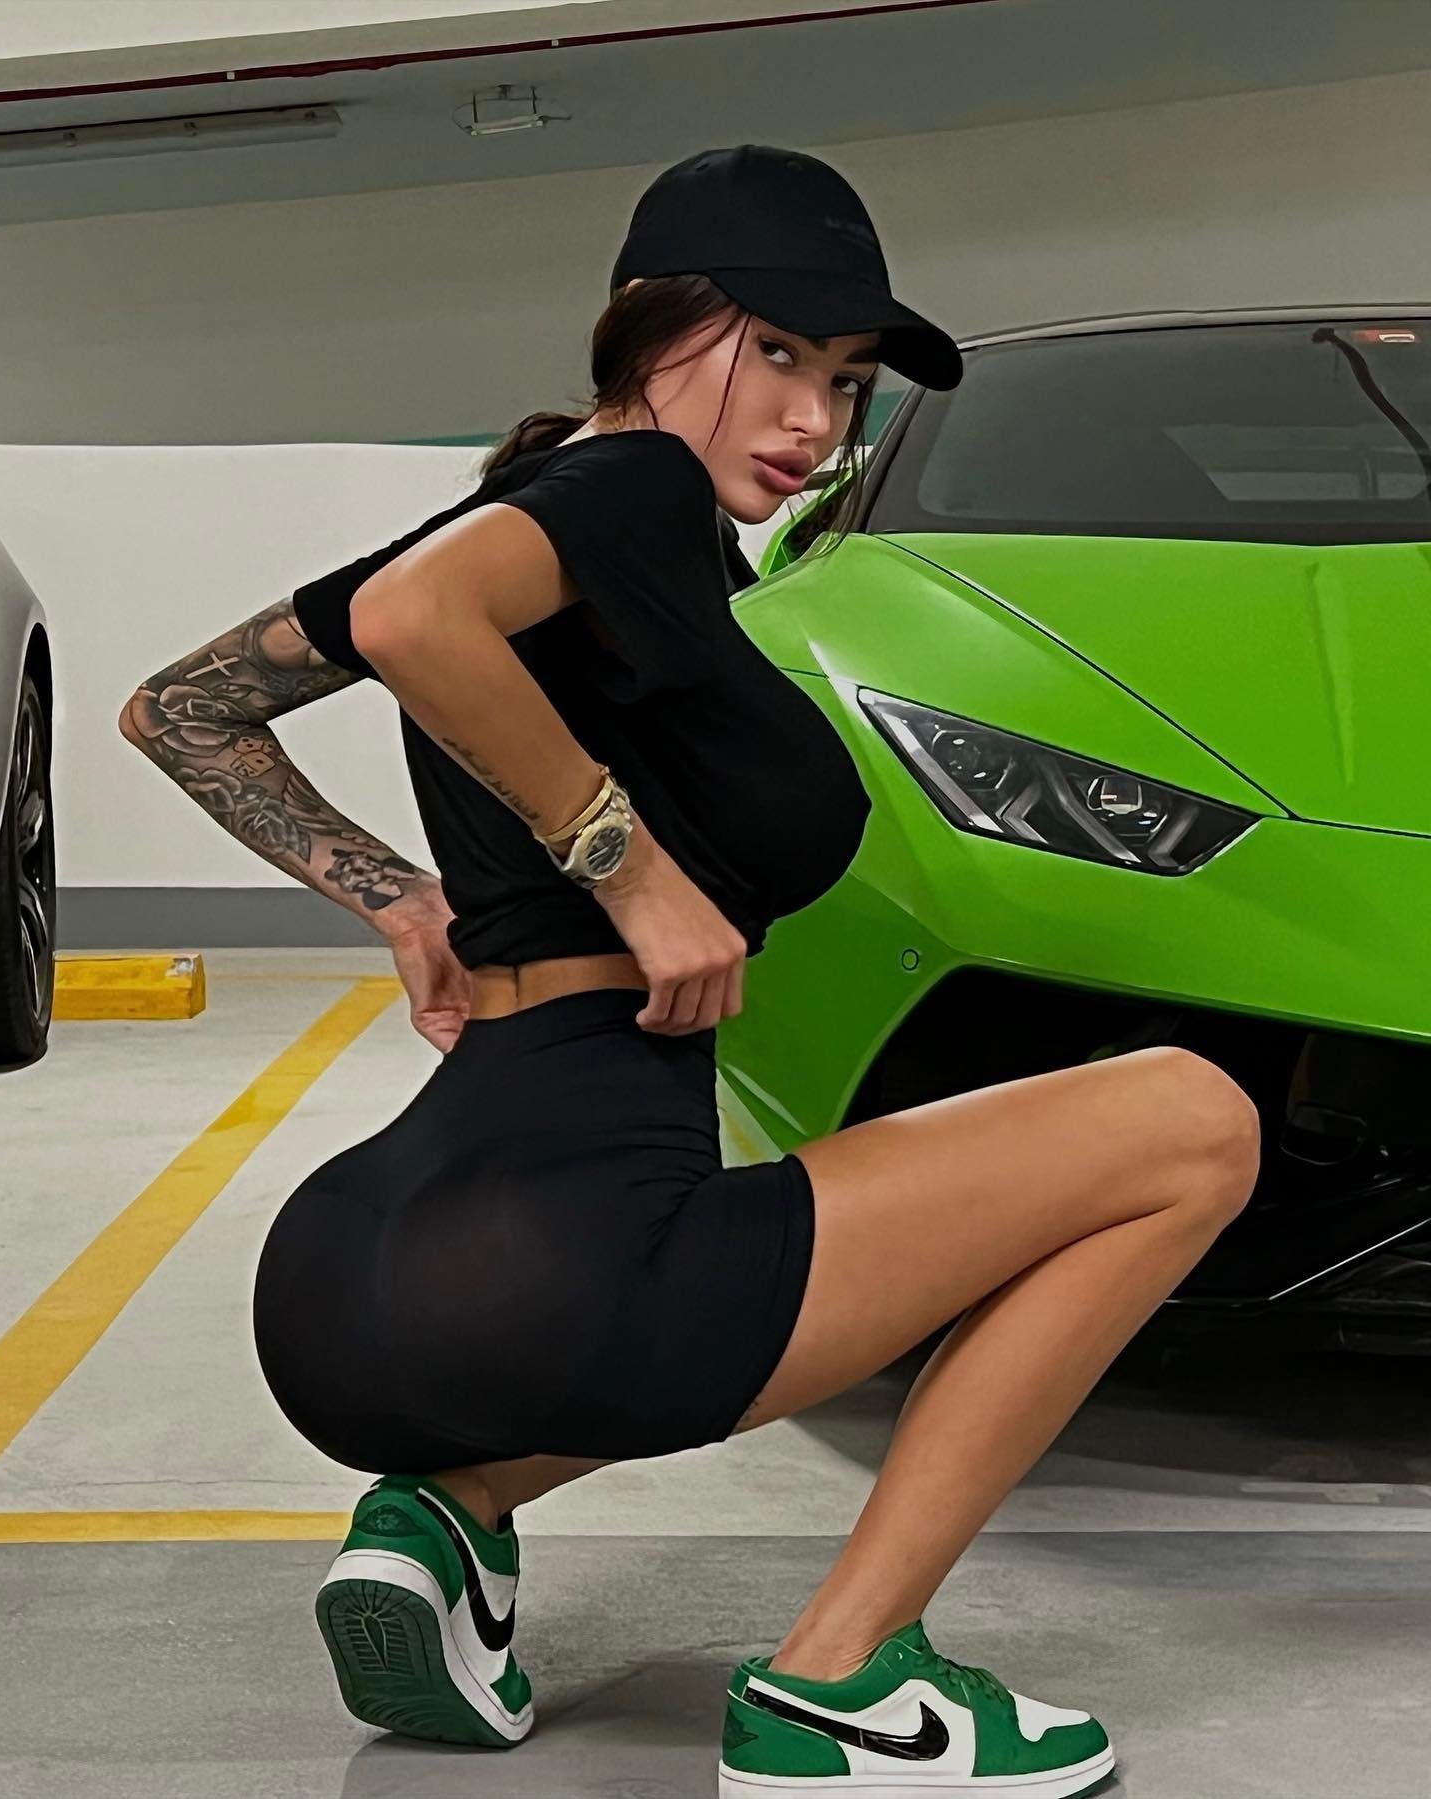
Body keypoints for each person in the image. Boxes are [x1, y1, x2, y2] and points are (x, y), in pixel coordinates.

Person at [227, 146, 1258, 1795]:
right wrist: (631, 876)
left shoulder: (554, 508)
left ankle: (454, 1516)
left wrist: (400, 901)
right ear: (650, 326)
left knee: (828, 1269)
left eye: (843, 381)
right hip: (566, 1256)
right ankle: (842, 1685)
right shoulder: (634, 489)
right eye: (775, 352)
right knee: (1194, 1123)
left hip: (359, 1273)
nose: (812, 420)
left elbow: (184, 710)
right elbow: (417, 626)